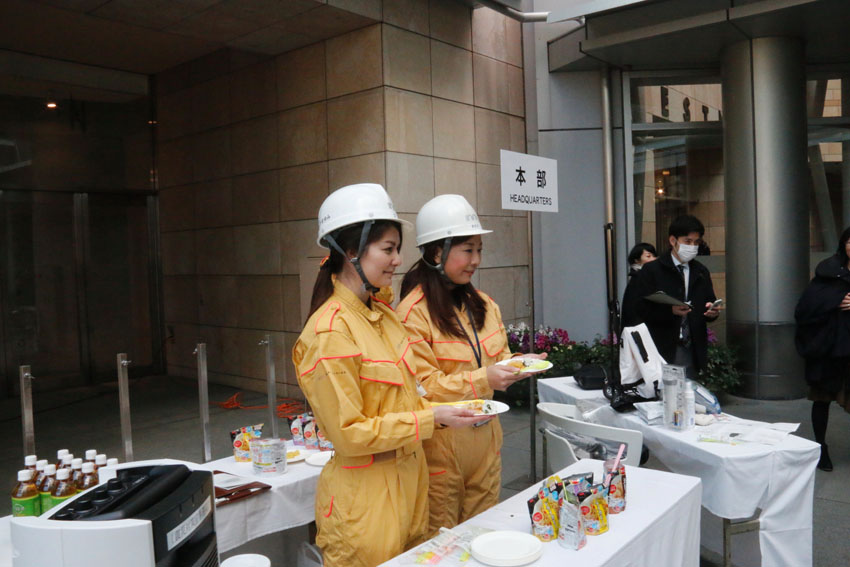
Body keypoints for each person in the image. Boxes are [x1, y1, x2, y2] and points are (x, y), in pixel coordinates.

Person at [292, 184, 488, 567]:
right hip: (365, 506)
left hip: (411, 486)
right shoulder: (330, 332)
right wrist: (430, 418)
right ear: (350, 251)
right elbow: (349, 433)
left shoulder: (384, 317)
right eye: (388, 249)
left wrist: (443, 412)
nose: (398, 260)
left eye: (397, 248)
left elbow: (406, 397)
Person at [396, 194, 546, 534]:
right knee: (442, 537)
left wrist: (518, 364)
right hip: (442, 445)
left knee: (484, 531)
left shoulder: (484, 304)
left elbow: (497, 357)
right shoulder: (412, 313)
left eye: (479, 250)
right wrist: (484, 379)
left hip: (486, 438)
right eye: (467, 250)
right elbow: (424, 388)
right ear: (437, 252)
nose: (476, 260)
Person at [634, 215, 721, 378]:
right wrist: (670, 311)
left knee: (687, 389)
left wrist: (712, 312)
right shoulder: (652, 270)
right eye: (688, 241)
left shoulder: (701, 271)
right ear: (673, 240)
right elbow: (639, 308)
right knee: (663, 390)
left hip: (692, 347)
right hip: (660, 345)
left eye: (696, 242)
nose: (692, 247)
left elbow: (708, 302)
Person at [794, 226, 850, 472]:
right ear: (843, 245)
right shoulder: (828, 272)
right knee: (822, 399)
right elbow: (805, 307)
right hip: (829, 347)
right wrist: (835, 300)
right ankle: (821, 446)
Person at [621, 242, 657, 327]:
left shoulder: (643, 276)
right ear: (637, 260)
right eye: (648, 256)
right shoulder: (639, 278)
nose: (653, 259)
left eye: (654, 256)